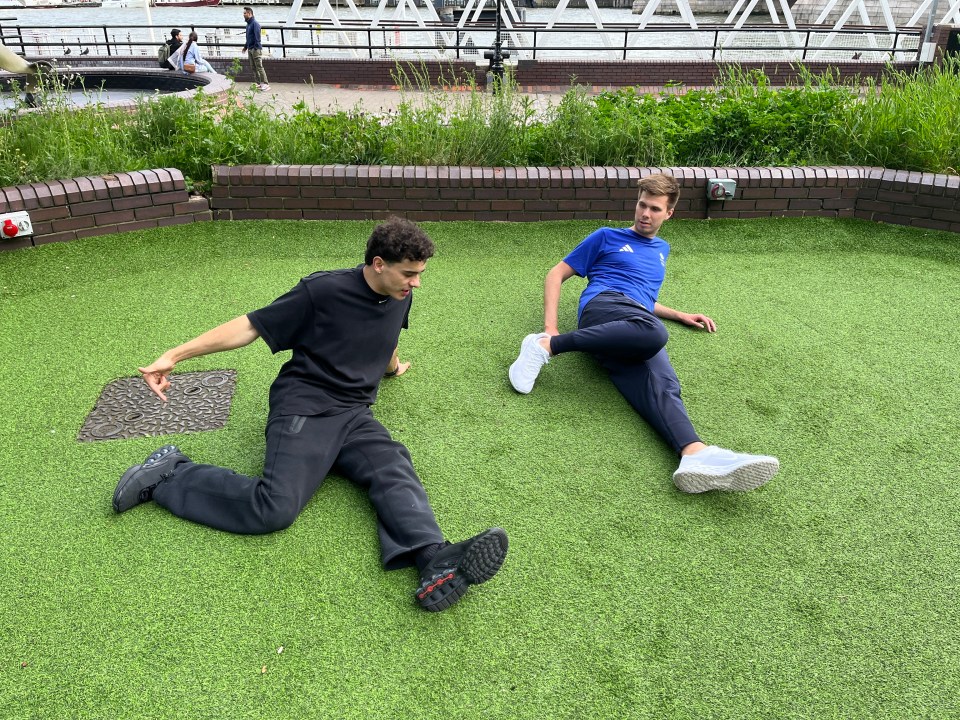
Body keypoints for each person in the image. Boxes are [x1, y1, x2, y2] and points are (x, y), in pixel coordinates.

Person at [113, 218, 508, 612]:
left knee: (393, 465)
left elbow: (389, 335)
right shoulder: (323, 291)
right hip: (305, 406)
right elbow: (251, 326)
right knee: (274, 509)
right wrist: (173, 356)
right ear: (378, 264)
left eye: (420, 274)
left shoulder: (401, 294)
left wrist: (391, 368)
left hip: (353, 412)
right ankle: (171, 473)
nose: (416, 283)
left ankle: (431, 557)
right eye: (409, 274)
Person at [508, 173, 780, 494]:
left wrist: (679, 314)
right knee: (653, 334)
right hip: (603, 306)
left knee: (664, 383)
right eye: (641, 205)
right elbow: (556, 274)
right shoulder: (606, 236)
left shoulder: (662, 250)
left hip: (630, 325)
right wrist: (552, 327)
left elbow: (643, 299)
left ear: (669, 213)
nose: (645, 214)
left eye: (654, 208)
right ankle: (548, 345)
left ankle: (692, 452)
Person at [241, 6, 270, 91]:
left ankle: (266, 83)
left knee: (259, 66)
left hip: (255, 49)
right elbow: (248, 38)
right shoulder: (248, 25)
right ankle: (258, 83)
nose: (243, 15)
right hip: (250, 49)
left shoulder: (255, 24)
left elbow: (258, 38)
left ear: (249, 14)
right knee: (253, 67)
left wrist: (255, 48)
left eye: (245, 13)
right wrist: (245, 47)